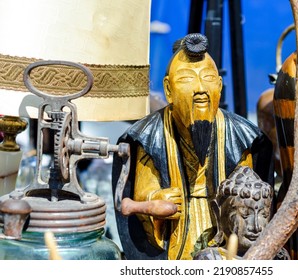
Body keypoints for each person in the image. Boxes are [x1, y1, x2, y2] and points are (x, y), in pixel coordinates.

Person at [112, 33, 274, 260]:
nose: (200, 89)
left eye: (208, 78)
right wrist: (155, 201)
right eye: (187, 79)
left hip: (225, 236)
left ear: (219, 85)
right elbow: (140, 193)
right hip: (175, 233)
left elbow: (248, 196)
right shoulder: (149, 136)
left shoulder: (241, 137)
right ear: (168, 89)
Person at [193, 166, 289, 260]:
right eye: (245, 214)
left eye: (264, 215)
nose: (256, 226)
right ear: (219, 215)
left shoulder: (278, 257)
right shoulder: (210, 259)